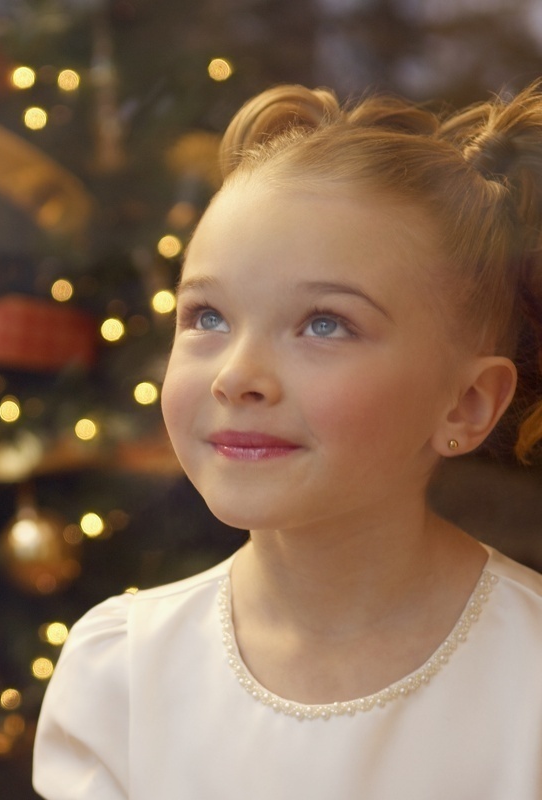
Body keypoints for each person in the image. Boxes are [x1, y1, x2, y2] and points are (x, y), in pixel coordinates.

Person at [33, 81, 542, 800]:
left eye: (324, 324)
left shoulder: (531, 685)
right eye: (207, 317)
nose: (238, 376)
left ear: (466, 403)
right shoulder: (121, 676)